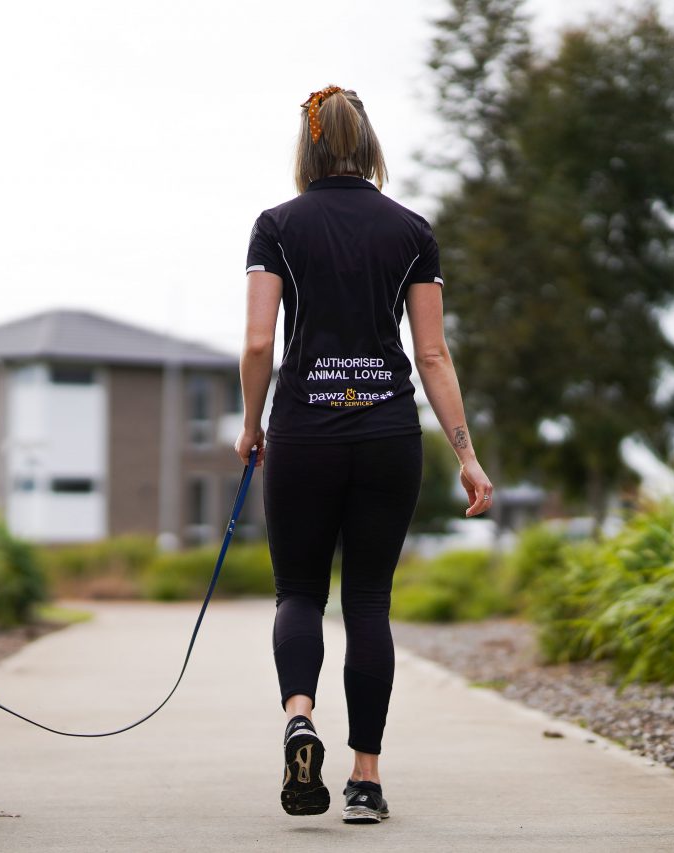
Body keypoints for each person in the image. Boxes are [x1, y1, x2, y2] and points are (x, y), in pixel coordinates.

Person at [235, 85, 494, 825]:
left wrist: (251, 424)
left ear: (307, 147)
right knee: (369, 602)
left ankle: (299, 716)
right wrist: (467, 456)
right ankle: (366, 780)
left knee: (299, 595)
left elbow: (258, 342)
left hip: (304, 435)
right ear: (369, 142)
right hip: (387, 438)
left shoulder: (276, 226)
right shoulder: (411, 230)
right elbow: (434, 354)